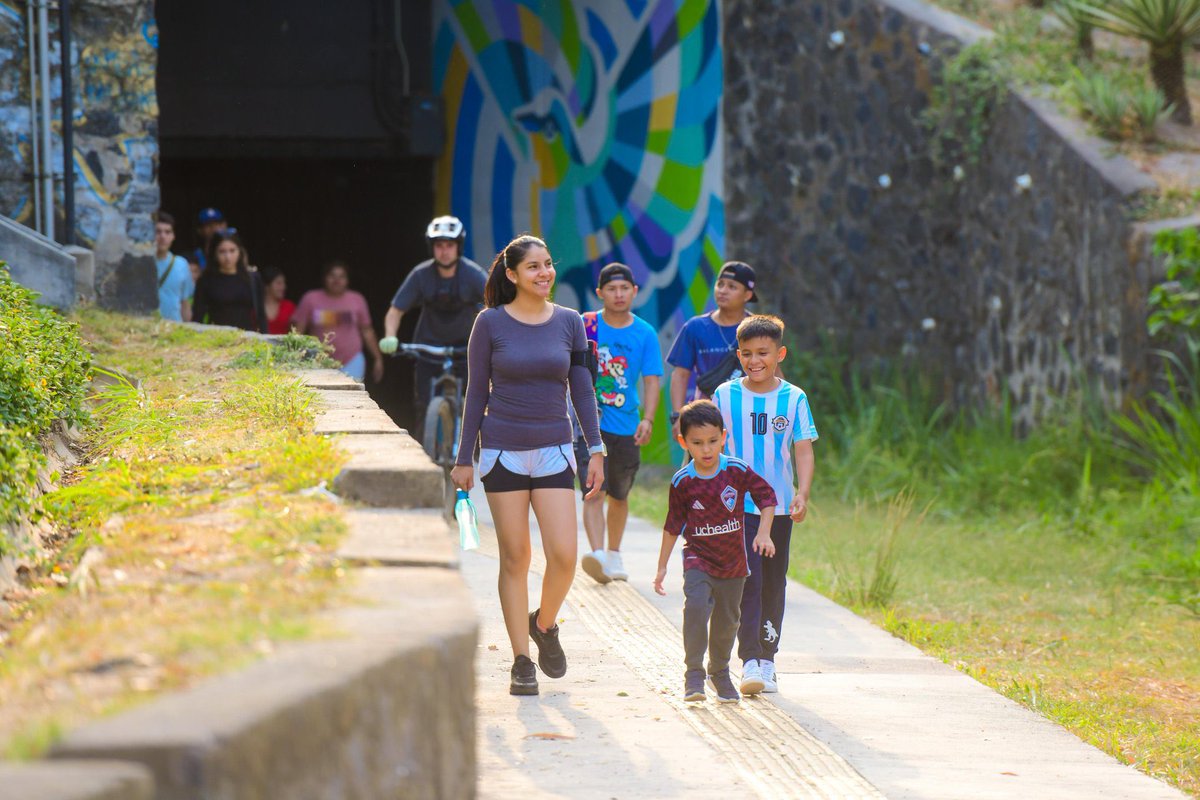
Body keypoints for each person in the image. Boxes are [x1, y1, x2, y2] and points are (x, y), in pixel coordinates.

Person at [450, 234, 605, 697]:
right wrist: (463, 459)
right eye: (533, 267)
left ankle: (544, 622)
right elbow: (476, 391)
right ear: (512, 275)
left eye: (547, 264)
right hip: (502, 452)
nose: (544, 273)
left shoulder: (570, 322)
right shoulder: (490, 323)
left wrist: (594, 448)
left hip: (555, 448)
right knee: (516, 558)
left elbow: (581, 390)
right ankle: (521, 660)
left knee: (564, 555)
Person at [712, 315, 818, 695]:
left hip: (780, 508)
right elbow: (710, 446)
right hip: (734, 507)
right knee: (745, 579)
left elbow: (802, 450)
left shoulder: (794, 398)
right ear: (738, 355)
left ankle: (768, 660)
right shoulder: (724, 395)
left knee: (773, 580)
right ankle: (750, 659)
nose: (754, 361)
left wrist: (802, 493)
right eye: (747, 353)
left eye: (763, 353)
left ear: (779, 354)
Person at [653, 400, 777, 703]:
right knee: (695, 607)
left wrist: (764, 533)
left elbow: (767, 497)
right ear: (683, 442)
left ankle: (719, 672)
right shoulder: (682, 481)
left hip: (733, 563)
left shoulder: (735, 470)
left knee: (727, 621)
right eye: (697, 443)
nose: (706, 450)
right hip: (698, 558)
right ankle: (693, 674)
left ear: (724, 436)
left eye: (712, 441)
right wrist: (662, 567)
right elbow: (672, 525)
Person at [572, 263, 663, 585]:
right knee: (593, 491)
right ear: (600, 293)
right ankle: (597, 555)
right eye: (612, 289)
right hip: (590, 425)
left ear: (635, 292)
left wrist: (649, 419)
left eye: (625, 288)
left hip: (626, 426)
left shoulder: (645, 333)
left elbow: (652, 380)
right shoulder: (586, 325)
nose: (619, 294)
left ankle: (614, 553)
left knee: (620, 496)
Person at [380, 216, 487, 436]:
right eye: (439, 245)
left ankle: (477, 454)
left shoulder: (473, 274)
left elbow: (496, 305)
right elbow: (395, 311)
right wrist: (390, 335)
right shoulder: (420, 275)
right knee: (423, 406)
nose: (444, 251)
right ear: (432, 248)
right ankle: (424, 457)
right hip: (428, 348)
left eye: (450, 245)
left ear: (459, 247)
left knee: (478, 404)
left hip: (466, 349)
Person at [665, 261, 759, 438]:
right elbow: (680, 374)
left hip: (749, 415)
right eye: (720, 284)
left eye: (732, 286)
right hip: (705, 416)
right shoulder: (694, 327)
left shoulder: (758, 328)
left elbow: (774, 372)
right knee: (701, 464)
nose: (723, 290)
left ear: (747, 295)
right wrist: (677, 415)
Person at [293, 261, 384, 383]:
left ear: (347, 280)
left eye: (341, 276)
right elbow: (298, 331)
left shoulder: (357, 299)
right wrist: (293, 357)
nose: (336, 280)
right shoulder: (310, 299)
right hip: (318, 360)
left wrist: (378, 358)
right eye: (332, 276)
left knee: (351, 397)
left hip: (352, 359)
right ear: (324, 278)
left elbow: (367, 331)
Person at [192, 231, 266, 333]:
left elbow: (261, 315)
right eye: (222, 251)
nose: (228, 257)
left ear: (239, 251)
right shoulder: (206, 280)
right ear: (214, 253)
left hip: (247, 337)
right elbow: (198, 316)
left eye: (232, 251)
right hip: (216, 337)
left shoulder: (252, 278)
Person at [153, 211, 193, 322]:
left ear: (173, 236)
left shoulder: (181, 264)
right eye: (158, 232)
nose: (162, 236)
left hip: (175, 327)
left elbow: (185, 303)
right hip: (145, 327)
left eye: (167, 232)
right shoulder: (140, 263)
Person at [188, 207, 229, 274]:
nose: (214, 228)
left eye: (217, 224)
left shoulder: (235, 250)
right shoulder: (195, 256)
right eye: (208, 225)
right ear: (200, 230)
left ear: (224, 225)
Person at [261, 267, 296, 335]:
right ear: (267, 286)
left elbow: (295, 333)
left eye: (284, 283)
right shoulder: (256, 306)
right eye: (279, 283)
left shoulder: (289, 307)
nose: (283, 287)